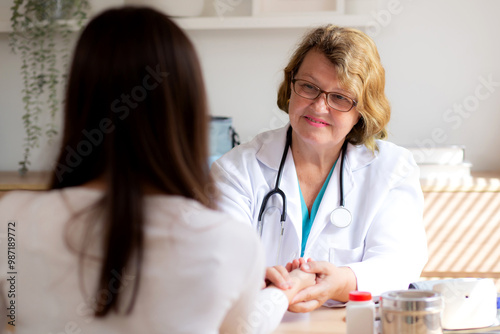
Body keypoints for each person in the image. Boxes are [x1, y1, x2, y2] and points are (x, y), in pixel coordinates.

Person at [0, 7, 315, 333]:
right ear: (188, 111)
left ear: (79, 100)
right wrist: (280, 292)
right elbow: (243, 328)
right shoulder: (229, 244)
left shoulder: (10, 221)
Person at [210, 25, 428, 312]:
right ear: (291, 85)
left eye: (340, 97)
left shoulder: (391, 169)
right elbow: (219, 259)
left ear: (361, 110)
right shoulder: (237, 169)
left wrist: (341, 282)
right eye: (309, 87)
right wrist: (251, 279)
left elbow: (399, 263)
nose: (319, 107)